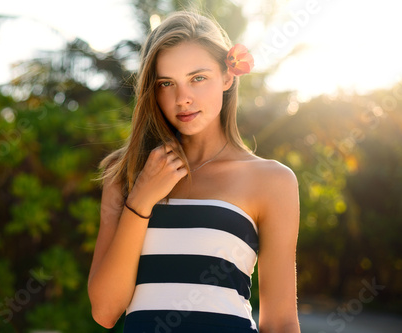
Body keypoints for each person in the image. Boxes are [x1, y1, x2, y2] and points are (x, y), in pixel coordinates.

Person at [88, 11, 300, 333]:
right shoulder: (126, 175)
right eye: (166, 83)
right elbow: (105, 311)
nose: (182, 98)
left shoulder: (272, 181)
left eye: (197, 78)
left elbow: (281, 321)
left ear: (228, 77)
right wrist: (142, 199)